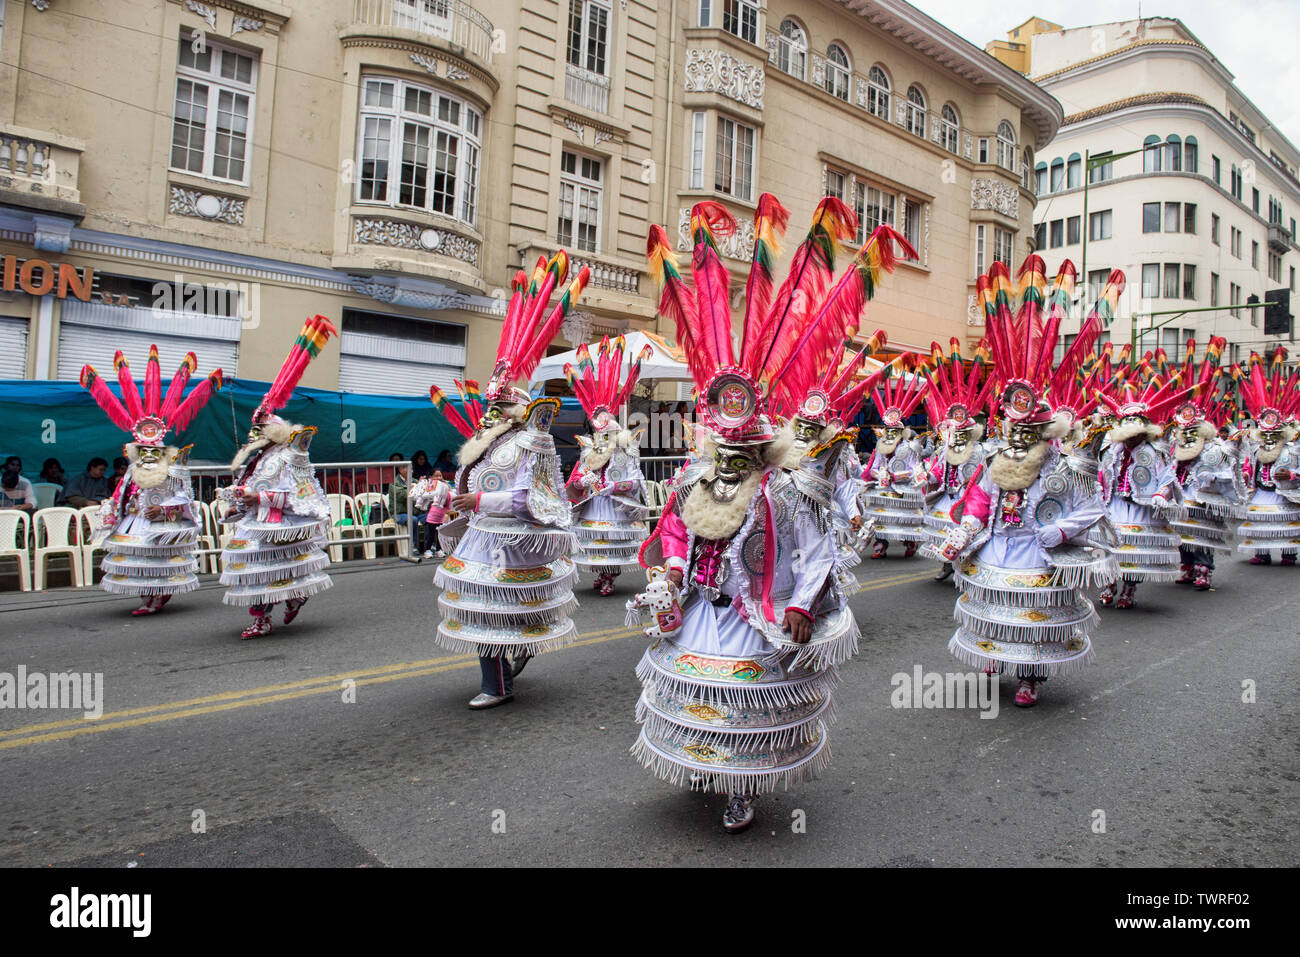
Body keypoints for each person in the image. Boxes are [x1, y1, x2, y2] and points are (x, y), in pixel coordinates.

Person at [632, 195, 876, 832]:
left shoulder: (784, 487)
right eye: (724, 447)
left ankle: (741, 788)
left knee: (746, 698)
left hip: (754, 612)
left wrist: (800, 605)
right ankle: (707, 767)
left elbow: (815, 550)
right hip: (700, 608)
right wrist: (669, 575)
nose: (731, 458)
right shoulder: (695, 474)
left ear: (760, 443)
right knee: (697, 692)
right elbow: (679, 530)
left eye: (742, 450)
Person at [941, 258, 1116, 707]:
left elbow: (1093, 507)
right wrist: (963, 532)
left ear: (1041, 434)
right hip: (998, 547)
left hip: (1038, 550)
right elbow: (980, 499)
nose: (1017, 442)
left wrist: (1057, 532)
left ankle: (1031, 677)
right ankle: (995, 655)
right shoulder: (996, 460)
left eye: (1026, 434)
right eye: (1012, 432)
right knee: (996, 609)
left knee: (1034, 618)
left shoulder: (1061, 468)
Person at [429, 251, 589, 708]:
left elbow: (528, 501)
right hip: (482, 538)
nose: (490, 415)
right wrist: (448, 495)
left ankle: (497, 683)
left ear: (513, 410)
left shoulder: (532, 442)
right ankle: (503, 669)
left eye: (498, 409)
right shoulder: (483, 443)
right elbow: (473, 486)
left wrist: (477, 503)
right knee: (484, 610)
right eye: (490, 408)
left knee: (496, 611)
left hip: (514, 541)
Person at [79, 346, 223, 614]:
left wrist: (164, 510)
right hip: (134, 520)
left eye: (152, 451)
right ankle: (151, 595)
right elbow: (121, 493)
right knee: (137, 559)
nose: (147, 456)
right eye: (143, 451)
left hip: (159, 521)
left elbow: (185, 498)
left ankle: (156, 596)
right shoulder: (133, 470)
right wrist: (112, 509)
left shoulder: (173, 469)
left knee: (156, 559)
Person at [217, 316, 337, 638]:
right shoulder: (256, 459)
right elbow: (250, 490)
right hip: (256, 525)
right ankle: (263, 617)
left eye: (259, 430)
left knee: (277, 575)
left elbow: (302, 496)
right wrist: (239, 506)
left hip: (281, 528)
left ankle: (291, 600)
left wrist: (259, 498)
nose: (254, 436)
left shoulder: (290, 456)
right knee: (255, 574)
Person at [565, 336, 651, 596]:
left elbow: (636, 481)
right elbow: (576, 478)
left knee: (613, 543)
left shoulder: (624, 453)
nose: (602, 440)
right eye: (599, 435)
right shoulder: (589, 451)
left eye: (607, 436)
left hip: (615, 505)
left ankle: (609, 577)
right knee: (596, 545)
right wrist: (585, 482)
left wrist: (613, 486)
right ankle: (600, 574)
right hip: (594, 504)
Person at [917, 339, 995, 581]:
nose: (956, 437)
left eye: (961, 433)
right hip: (947, 497)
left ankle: (964, 566)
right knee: (945, 533)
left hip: (967, 500)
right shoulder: (943, 450)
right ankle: (947, 565)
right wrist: (927, 476)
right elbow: (940, 472)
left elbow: (981, 479)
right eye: (954, 432)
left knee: (966, 533)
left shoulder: (979, 451)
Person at [1235, 348, 1300, 565]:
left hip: (1283, 493)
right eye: (1266, 433)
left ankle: (1288, 553)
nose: (1269, 437)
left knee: (1285, 522)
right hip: (1261, 491)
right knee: (1259, 520)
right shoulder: (1255, 448)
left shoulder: (1292, 448)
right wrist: (1245, 474)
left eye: (1274, 433)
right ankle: (1262, 552)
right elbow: (1248, 465)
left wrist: (1291, 474)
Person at [860, 360, 929, 559]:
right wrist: (879, 474)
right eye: (887, 431)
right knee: (880, 518)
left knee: (904, 519)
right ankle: (880, 544)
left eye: (893, 431)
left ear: (900, 432)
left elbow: (916, 468)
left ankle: (909, 542)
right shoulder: (880, 447)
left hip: (902, 487)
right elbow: (872, 467)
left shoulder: (909, 447)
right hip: (883, 488)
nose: (890, 435)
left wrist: (895, 476)